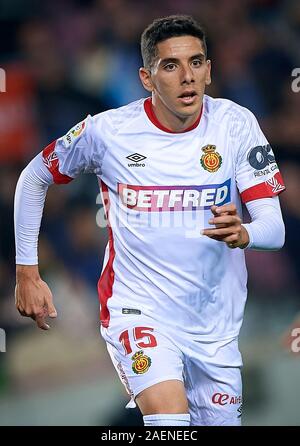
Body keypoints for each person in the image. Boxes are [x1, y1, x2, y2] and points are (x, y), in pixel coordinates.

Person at [14, 15, 286, 426]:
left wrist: (245, 232)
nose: (188, 77)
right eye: (171, 66)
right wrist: (27, 273)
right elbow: (34, 176)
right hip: (139, 311)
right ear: (146, 77)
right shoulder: (109, 132)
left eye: (197, 63)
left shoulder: (236, 124)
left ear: (210, 70)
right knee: (169, 417)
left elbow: (275, 228)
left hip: (215, 327)